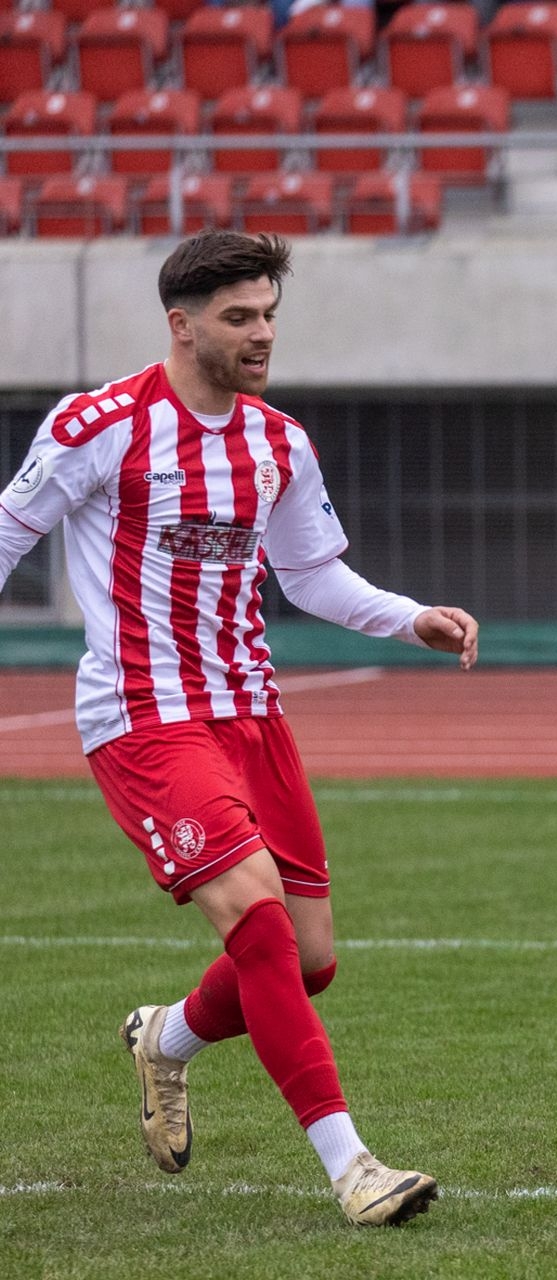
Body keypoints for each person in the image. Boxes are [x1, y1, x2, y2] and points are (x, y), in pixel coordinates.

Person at [0, 231, 480, 1227]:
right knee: (257, 921)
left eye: (268, 314)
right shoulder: (102, 424)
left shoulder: (278, 443)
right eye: (239, 317)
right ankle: (353, 1168)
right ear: (181, 325)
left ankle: (166, 1038)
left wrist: (410, 618)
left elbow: (310, 574)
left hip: (252, 714)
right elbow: (9, 530)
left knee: (308, 960)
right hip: (144, 716)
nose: (261, 334)